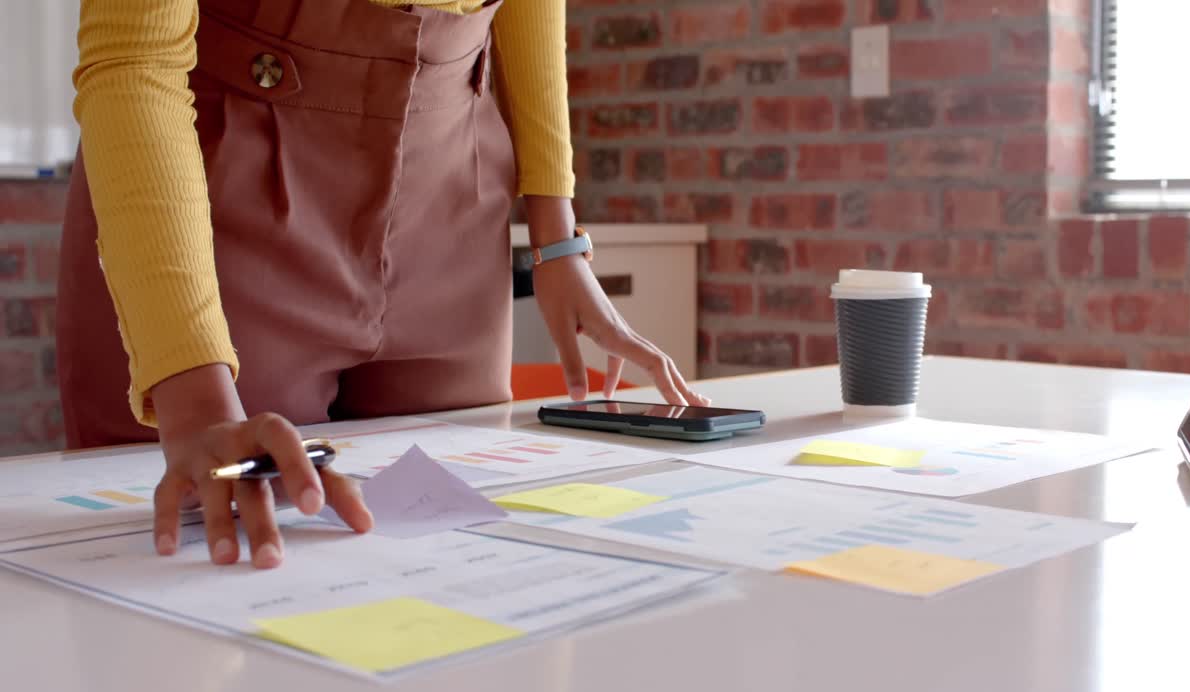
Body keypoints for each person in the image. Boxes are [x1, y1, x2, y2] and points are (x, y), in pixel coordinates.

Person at [57, 0, 707, 570]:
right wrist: (196, 404)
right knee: (212, 575)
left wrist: (557, 235)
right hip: (217, 197)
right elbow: (134, 57)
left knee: (463, 585)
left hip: (452, 188)